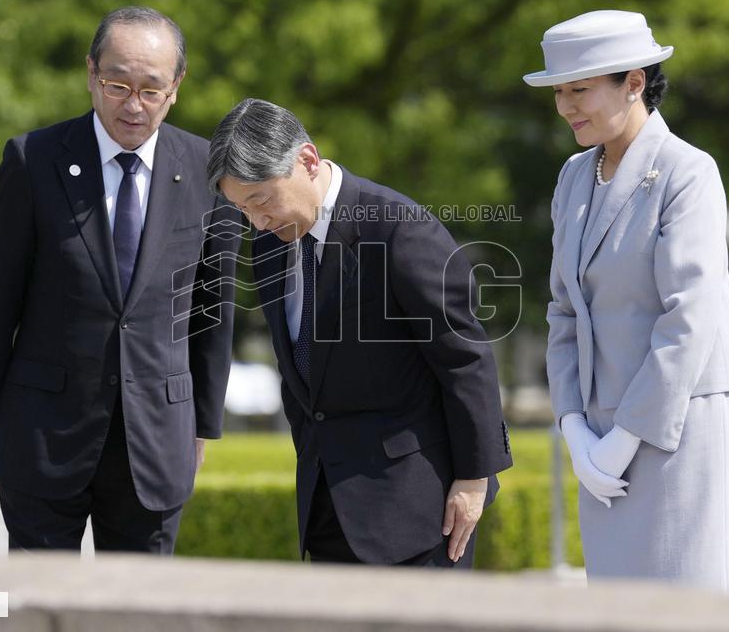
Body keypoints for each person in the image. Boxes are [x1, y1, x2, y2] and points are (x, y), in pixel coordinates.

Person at [0, 6, 238, 554]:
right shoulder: (32, 160)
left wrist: (199, 425)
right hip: (43, 432)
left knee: (137, 609)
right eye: (116, 84)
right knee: (38, 602)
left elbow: (213, 309)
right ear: (90, 73)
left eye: (151, 90)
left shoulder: (209, 172)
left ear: (176, 88)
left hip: (156, 439)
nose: (133, 105)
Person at [207, 98, 512, 567]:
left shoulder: (399, 229)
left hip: (419, 511)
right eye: (241, 208)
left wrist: (474, 480)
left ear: (307, 161)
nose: (257, 221)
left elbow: (464, 359)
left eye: (262, 200)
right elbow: (298, 368)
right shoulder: (268, 243)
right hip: (325, 505)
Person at [524, 10, 729, 589]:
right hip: (599, 434)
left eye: (580, 89)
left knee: (687, 604)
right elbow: (562, 308)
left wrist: (628, 435)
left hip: (680, 421)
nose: (567, 105)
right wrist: (573, 426)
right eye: (559, 92)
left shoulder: (688, 172)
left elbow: (690, 316)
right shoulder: (573, 176)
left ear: (634, 83)